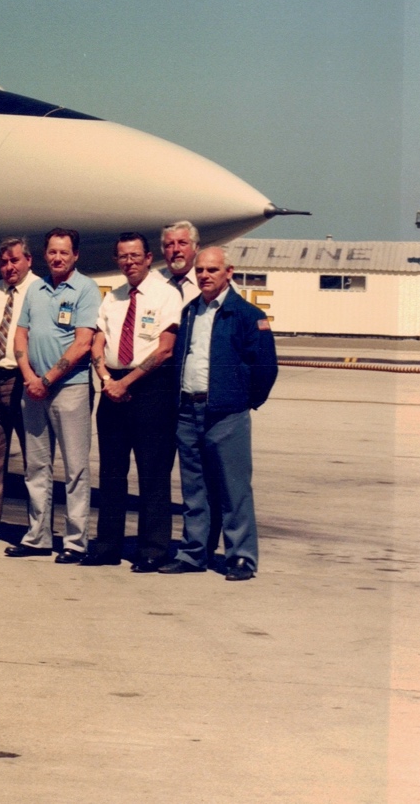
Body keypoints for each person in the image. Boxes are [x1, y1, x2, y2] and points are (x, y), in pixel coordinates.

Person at [161, 247, 276, 581]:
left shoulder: (245, 314)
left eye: (212, 270)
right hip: (188, 411)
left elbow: (265, 367)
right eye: (200, 271)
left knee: (233, 489)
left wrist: (242, 401)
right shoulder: (189, 312)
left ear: (229, 272)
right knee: (194, 490)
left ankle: (241, 557)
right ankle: (194, 552)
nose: (205, 276)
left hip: (227, 414)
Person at [86, 232, 183, 570]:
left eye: (134, 255)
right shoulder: (112, 298)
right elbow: (97, 342)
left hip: (150, 391)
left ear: (147, 257)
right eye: (122, 256)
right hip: (111, 386)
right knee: (112, 472)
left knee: (153, 474)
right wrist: (107, 380)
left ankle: (153, 549)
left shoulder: (167, 295)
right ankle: (107, 545)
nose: (128, 262)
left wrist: (124, 382)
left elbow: (165, 348)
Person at [10, 228, 101, 563]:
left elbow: (82, 344)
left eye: (64, 252)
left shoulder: (86, 289)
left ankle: (75, 542)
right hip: (32, 389)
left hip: (70, 389)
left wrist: (46, 379)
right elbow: (21, 336)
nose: (57, 257)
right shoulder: (35, 289)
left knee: (75, 469)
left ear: (75, 255)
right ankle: (37, 536)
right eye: (52, 252)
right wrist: (30, 377)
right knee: (36, 466)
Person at [153, 219, 225, 555]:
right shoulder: (156, 286)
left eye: (182, 244)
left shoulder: (206, 287)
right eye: (169, 245)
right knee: (159, 471)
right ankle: (160, 543)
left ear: (194, 247)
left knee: (204, 476)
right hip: (159, 395)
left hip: (194, 396)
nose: (175, 250)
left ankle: (205, 545)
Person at [0, 237, 39, 539]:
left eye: (14, 260)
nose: (9, 267)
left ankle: (37, 528)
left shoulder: (40, 290)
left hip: (24, 381)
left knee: (34, 461)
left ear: (28, 260)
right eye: (3, 262)